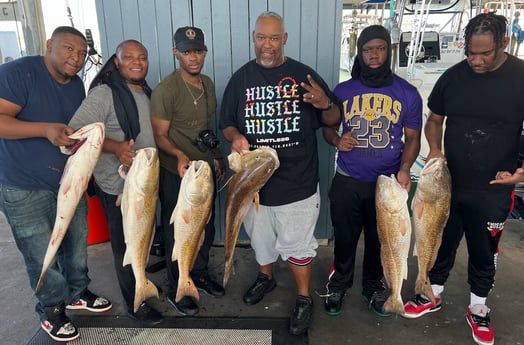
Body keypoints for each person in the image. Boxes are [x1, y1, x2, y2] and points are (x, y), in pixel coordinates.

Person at [401, 13, 524, 345]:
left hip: (495, 187)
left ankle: (478, 307)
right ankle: (431, 292)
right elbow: (434, 120)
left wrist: (521, 171)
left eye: (485, 53)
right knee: (438, 240)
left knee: (485, 251)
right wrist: (436, 150)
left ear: (504, 44)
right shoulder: (453, 78)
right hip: (449, 183)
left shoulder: (520, 77)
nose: (476, 60)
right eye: (471, 53)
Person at [219, 11, 341, 336]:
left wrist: (324, 102)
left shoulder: (303, 74)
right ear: (253, 37)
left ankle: (303, 298)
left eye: (274, 38)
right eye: (261, 37)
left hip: (298, 184)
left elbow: (332, 120)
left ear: (284, 39)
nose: (267, 45)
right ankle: (266, 277)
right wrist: (235, 137)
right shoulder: (241, 78)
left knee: (299, 246)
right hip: (254, 188)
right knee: (260, 240)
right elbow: (227, 121)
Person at [0, 26, 112, 342]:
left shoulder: (76, 84)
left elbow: (69, 129)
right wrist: (44, 129)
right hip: (23, 186)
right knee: (40, 251)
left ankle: (77, 292)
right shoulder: (17, 73)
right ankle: (52, 309)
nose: (75, 58)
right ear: (49, 45)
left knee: (76, 241)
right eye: (68, 49)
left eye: (81, 53)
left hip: (65, 181)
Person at [321, 25, 422, 318]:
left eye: (379, 48)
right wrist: (339, 140)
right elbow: (328, 128)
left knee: (382, 240)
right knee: (344, 237)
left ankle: (373, 285)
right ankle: (339, 284)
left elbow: (413, 137)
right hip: (348, 179)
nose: (373, 54)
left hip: (386, 183)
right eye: (367, 49)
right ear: (359, 53)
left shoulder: (408, 93)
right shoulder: (343, 90)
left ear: (389, 50)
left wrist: (404, 169)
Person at [68, 40, 163, 325]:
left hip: (145, 183)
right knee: (128, 246)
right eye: (129, 57)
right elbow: (76, 133)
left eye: (142, 57)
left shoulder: (145, 92)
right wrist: (116, 147)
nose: (137, 62)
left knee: (143, 240)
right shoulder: (104, 94)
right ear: (117, 62)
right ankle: (137, 302)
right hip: (120, 187)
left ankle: (143, 283)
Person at [150, 26, 226, 317]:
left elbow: (206, 127)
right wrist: (180, 154)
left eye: (198, 51)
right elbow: (160, 136)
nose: (193, 57)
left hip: (203, 169)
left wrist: (216, 155)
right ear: (176, 53)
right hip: (176, 171)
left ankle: (201, 273)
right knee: (177, 231)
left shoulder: (207, 83)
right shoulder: (166, 90)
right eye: (186, 51)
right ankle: (176, 285)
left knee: (206, 226)